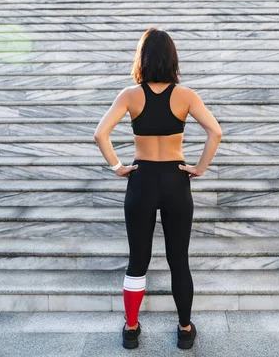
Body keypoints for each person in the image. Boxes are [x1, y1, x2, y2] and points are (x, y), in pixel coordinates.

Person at [93, 27, 222, 350]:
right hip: (176, 180)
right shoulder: (186, 96)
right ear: (172, 59)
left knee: (138, 259)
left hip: (142, 180)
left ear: (143, 59)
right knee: (179, 259)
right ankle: (184, 329)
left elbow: (100, 134)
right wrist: (200, 168)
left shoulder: (130, 95)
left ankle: (132, 329)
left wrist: (118, 167)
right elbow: (215, 132)